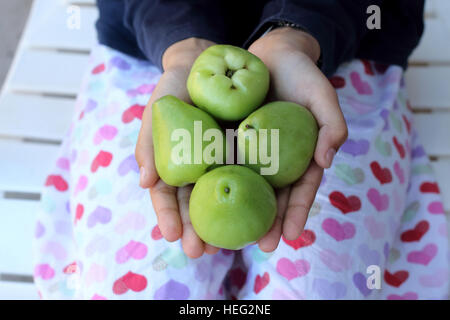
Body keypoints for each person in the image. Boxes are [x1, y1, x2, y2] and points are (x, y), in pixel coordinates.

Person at [33, 0, 449, 299]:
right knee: (133, 287)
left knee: (321, 287)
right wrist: (181, 48)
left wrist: (300, 32)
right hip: (151, 46)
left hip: (340, 43)